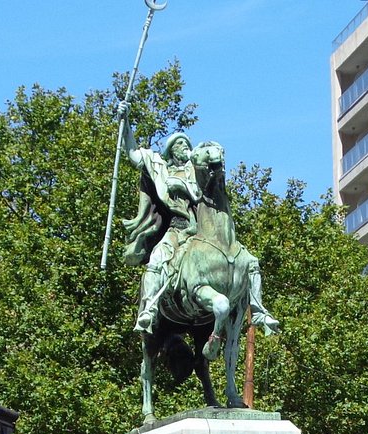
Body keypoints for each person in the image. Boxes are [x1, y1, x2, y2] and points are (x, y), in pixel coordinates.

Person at [117, 104, 280, 337]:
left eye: (187, 144)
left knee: (246, 258)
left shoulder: (197, 171)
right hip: (177, 229)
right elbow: (133, 154)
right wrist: (125, 122)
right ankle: (149, 310)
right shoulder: (161, 168)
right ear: (171, 151)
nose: (186, 147)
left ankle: (259, 309)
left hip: (204, 228)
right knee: (157, 260)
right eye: (180, 144)